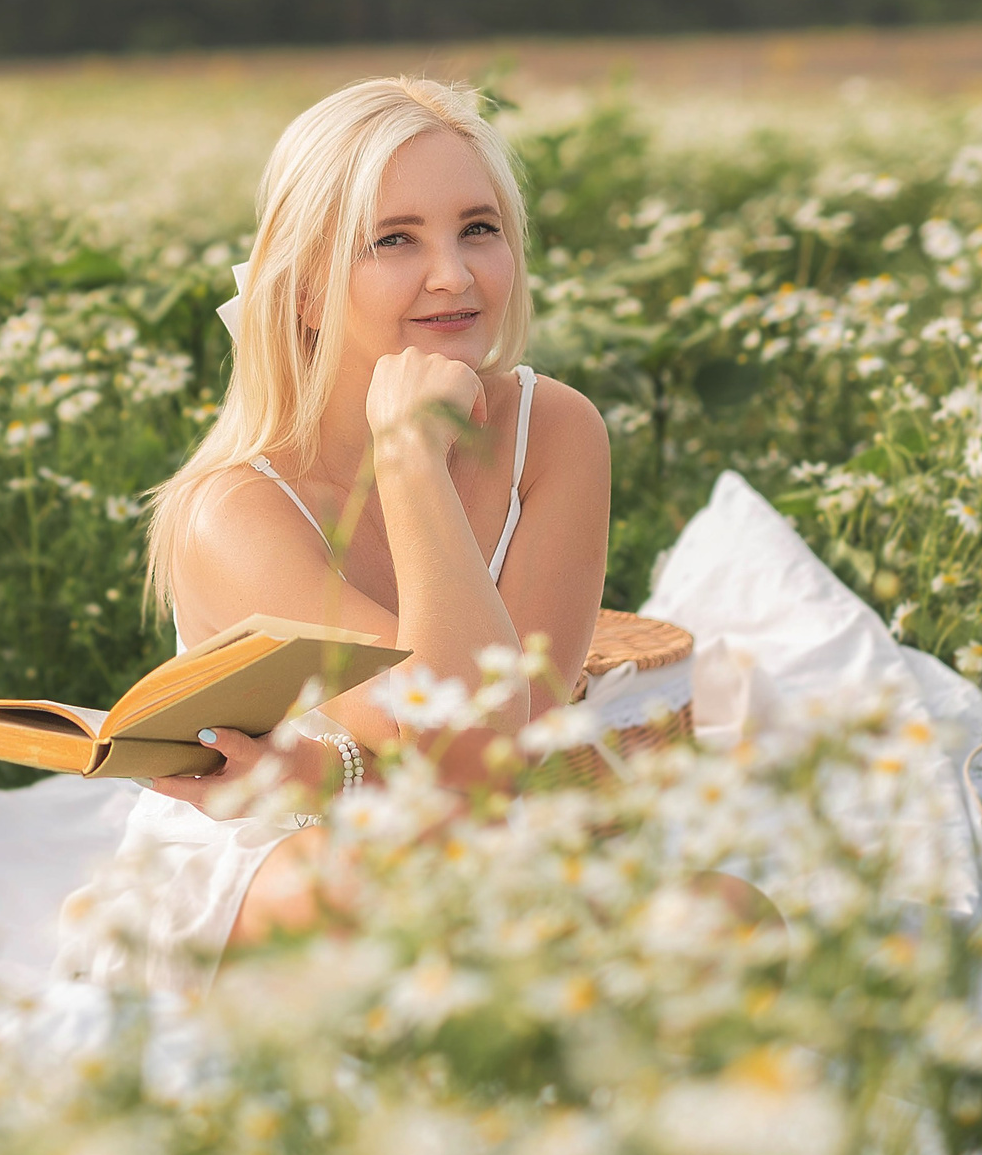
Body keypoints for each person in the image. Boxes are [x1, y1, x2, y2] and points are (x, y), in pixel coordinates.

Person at [54, 76, 616, 986]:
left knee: (735, 910)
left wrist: (320, 769)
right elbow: (462, 744)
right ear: (309, 288)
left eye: (479, 228)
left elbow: (506, 766)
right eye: (394, 240)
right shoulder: (235, 509)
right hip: (277, 866)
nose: (455, 274)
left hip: (474, 856)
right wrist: (410, 466)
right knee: (382, 894)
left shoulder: (555, 432)